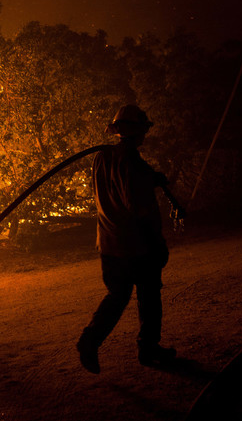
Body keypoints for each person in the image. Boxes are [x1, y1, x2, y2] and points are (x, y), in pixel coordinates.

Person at [76, 105, 177, 374]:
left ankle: (90, 339)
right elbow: (137, 205)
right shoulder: (130, 160)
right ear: (135, 130)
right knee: (149, 295)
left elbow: (116, 188)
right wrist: (157, 241)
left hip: (109, 242)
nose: (145, 134)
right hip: (136, 244)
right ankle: (148, 347)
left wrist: (150, 179)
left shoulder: (103, 157)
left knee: (117, 295)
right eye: (142, 129)